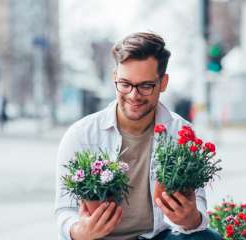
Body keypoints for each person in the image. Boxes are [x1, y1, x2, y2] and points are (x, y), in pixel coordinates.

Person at [55, 32, 221, 240]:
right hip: (101, 238)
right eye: (125, 84)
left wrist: (192, 219)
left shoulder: (181, 132)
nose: (134, 95)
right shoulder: (81, 134)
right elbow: (64, 211)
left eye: (145, 86)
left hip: (159, 236)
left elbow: (197, 204)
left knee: (207, 238)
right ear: (114, 77)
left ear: (163, 83)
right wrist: (81, 231)